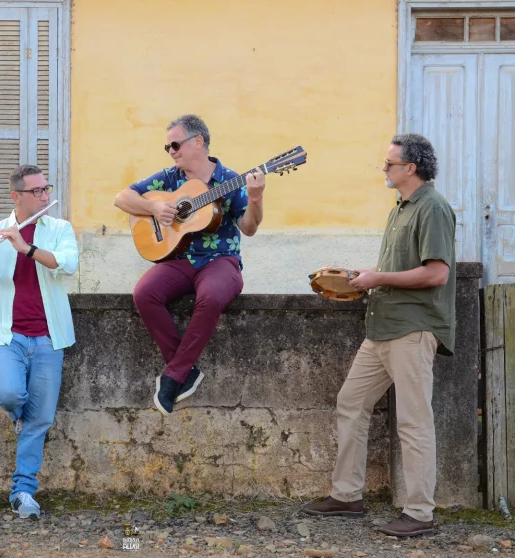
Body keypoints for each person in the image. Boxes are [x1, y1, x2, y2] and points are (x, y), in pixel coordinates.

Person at [301, 133, 456, 537]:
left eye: (389, 163)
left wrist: (378, 278)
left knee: (414, 422)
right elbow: (395, 271)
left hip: (413, 329)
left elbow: (436, 273)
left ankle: (420, 514)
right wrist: (359, 279)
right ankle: (347, 495)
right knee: (351, 402)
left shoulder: (433, 208)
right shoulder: (400, 208)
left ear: (410, 168)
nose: (384, 169)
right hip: (382, 327)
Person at [114, 114, 266, 416]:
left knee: (210, 297)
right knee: (144, 293)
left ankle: (173, 376)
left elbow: (249, 227)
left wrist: (256, 197)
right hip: (179, 259)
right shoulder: (169, 179)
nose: (171, 151)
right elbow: (122, 198)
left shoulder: (230, 180)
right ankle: (187, 371)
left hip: (221, 261)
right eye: (167, 147)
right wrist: (155, 207)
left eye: (175, 144)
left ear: (198, 142)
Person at [0, 164, 78, 519]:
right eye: (37, 192)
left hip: (49, 337)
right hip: (7, 335)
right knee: (11, 396)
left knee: (40, 420)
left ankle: (23, 491)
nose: (45, 196)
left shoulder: (59, 229)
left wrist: (26, 247)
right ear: (17, 196)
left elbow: (67, 265)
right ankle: (20, 419)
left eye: (46, 189)